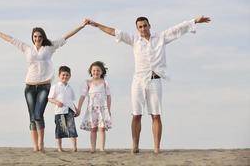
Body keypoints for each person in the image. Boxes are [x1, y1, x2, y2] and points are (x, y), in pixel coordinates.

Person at [85, 16, 211, 154]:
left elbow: (178, 29)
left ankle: (156, 148)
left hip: (155, 80)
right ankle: (135, 146)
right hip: (138, 81)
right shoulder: (134, 40)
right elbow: (114, 32)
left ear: (149, 26)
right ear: (137, 29)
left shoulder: (160, 38)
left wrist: (195, 21)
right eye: (140, 27)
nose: (143, 28)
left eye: (145, 25)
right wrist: (96, 24)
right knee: (136, 114)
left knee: (156, 115)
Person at [0, 20, 87, 152]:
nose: (37, 38)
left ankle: (41, 143)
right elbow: (11, 40)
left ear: (43, 37)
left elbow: (66, 36)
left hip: (44, 86)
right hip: (29, 87)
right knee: (32, 117)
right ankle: (35, 145)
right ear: (32, 37)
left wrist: (81, 25)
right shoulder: (27, 48)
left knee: (38, 115)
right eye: (35, 36)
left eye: (40, 36)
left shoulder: (49, 47)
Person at [77, 61, 112, 153]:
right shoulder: (88, 82)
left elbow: (108, 97)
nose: (96, 72)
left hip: (102, 109)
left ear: (102, 72)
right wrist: (79, 108)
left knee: (102, 128)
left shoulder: (105, 82)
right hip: (92, 109)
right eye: (94, 70)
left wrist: (108, 109)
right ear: (91, 71)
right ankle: (93, 148)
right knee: (93, 129)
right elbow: (82, 96)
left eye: (98, 70)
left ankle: (102, 148)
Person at [48, 66, 78, 152]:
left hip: (69, 111)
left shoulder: (70, 88)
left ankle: (74, 147)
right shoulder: (55, 86)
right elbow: (49, 98)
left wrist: (76, 109)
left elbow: (71, 101)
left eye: (67, 75)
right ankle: (59, 148)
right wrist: (56, 102)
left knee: (72, 128)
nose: (65, 77)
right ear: (59, 75)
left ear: (70, 76)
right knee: (59, 129)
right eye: (63, 75)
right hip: (59, 112)